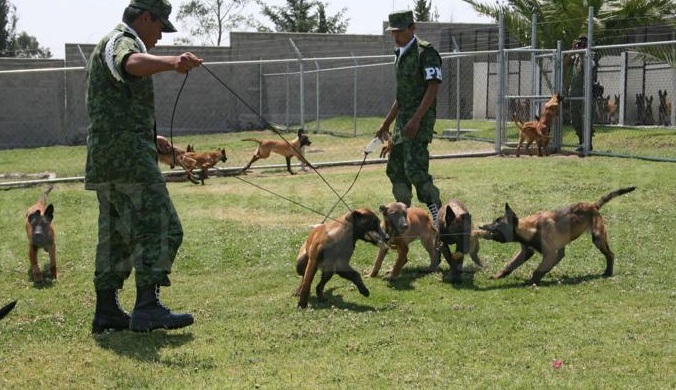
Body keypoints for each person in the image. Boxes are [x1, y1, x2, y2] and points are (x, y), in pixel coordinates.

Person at [86, 0, 203, 334]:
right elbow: (130, 63)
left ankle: (107, 311)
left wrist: (152, 136)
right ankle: (148, 308)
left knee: (116, 234)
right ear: (146, 18)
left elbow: (115, 102)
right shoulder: (122, 40)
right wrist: (174, 62)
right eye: (160, 27)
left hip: (107, 156)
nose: (160, 37)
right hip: (127, 157)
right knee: (163, 225)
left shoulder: (108, 42)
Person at [375, 10, 443, 226]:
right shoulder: (400, 54)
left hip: (418, 123)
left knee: (415, 170)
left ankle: (438, 214)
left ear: (412, 28)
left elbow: (433, 87)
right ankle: (401, 214)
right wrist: (386, 123)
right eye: (392, 32)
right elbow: (401, 96)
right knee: (395, 168)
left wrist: (416, 119)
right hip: (402, 125)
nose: (395, 36)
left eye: (399, 31)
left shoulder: (426, 52)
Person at [564, 35, 596, 151]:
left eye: (584, 43)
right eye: (580, 43)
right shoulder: (575, 58)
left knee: (585, 119)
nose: (581, 45)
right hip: (574, 94)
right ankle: (581, 141)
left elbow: (586, 68)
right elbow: (564, 64)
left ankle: (588, 143)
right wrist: (572, 51)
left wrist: (583, 54)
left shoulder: (590, 58)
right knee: (575, 120)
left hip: (585, 94)